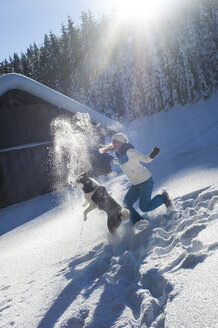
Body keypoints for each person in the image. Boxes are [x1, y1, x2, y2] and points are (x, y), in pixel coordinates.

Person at [99, 133, 172, 225]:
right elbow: (119, 161)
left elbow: (146, 159)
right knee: (126, 205)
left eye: (116, 141)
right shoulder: (119, 155)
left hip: (145, 181)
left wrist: (152, 155)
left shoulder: (130, 151)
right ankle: (139, 222)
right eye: (113, 142)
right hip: (136, 184)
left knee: (144, 207)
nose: (113, 144)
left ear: (122, 142)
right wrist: (110, 160)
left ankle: (163, 198)